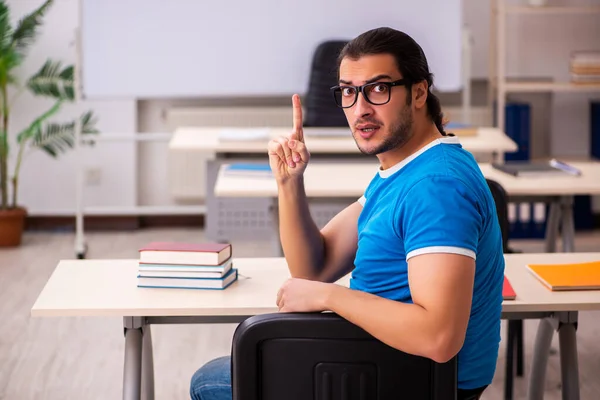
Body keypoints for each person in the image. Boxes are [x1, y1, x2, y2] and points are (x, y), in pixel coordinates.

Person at [190, 27, 504, 400]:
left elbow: (437, 337)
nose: (360, 109)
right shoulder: (403, 171)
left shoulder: (435, 186)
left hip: (411, 379)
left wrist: (328, 297)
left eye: (378, 88)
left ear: (419, 92)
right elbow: (313, 267)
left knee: (211, 382)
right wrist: (290, 183)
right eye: (349, 92)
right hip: (385, 358)